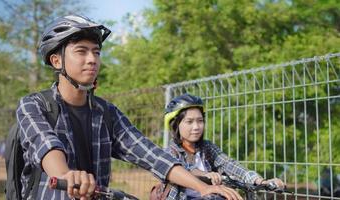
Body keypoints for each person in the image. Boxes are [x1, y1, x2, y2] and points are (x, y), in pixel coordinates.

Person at [16, 14, 243, 200]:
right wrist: (66, 175)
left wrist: (202, 188)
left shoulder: (106, 113)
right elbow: (45, 144)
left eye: (96, 52)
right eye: (81, 51)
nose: (92, 59)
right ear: (57, 61)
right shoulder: (33, 105)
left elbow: (148, 153)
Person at [164, 93, 286, 199]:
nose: (196, 127)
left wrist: (262, 181)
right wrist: (205, 174)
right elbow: (182, 169)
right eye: (189, 122)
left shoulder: (207, 148)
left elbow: (230, 165)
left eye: (200, 121)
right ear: (176, 125)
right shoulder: (169, 152)